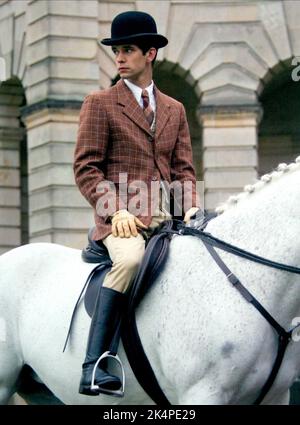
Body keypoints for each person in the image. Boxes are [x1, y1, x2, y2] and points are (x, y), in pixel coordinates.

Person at [73, 10, 201, 397]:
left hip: (167, 219)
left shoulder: (175, 109)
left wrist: (190, 206)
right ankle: (95, 365)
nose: (120, 58)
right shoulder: (100, 103)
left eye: (128, 50)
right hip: (121, 222)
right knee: (128, 260)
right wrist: (116, 210)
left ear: (150, 54)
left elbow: (183, 170)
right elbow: (86, 169)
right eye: (117, 51)